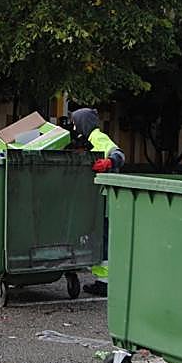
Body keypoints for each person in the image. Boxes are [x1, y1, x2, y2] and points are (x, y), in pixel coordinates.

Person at [68, 107, 125, 297]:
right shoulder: (88, 139)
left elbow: (119, 155)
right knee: (101, 237)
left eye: (76, 123)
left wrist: (109, 162)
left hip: (106, 198)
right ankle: (103, 281)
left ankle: (105, 282)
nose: (74, 127)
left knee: (105, 239)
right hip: (100, 198)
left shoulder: (97, 137)